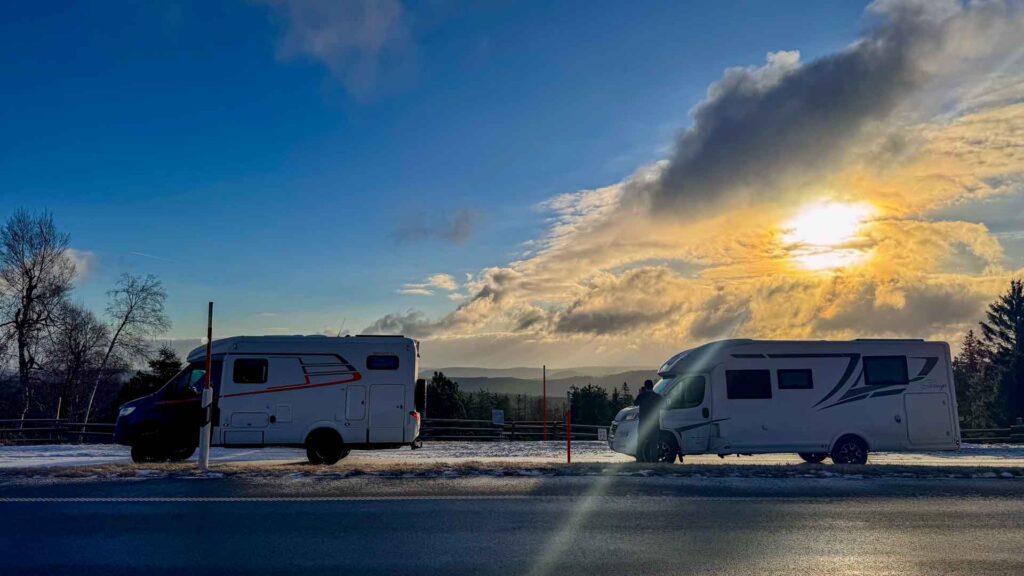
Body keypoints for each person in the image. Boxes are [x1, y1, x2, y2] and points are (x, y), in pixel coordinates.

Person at [633, 379, 665, 462]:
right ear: (652, 386)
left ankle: (639, 461)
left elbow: (635, 403)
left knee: (640, 443)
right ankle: (654, 461)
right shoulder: (657, 397)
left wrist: (640, 393)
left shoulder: (642, 396)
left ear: (645, 386)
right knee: (654, 444)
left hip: (643, 423)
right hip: (654, 424)